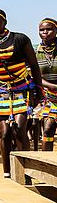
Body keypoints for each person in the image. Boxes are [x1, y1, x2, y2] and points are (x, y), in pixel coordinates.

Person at [0, 9, 43, 177]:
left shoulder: (20, 39)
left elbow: (34, 65)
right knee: (4, 133)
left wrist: (38, 89)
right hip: (0, 91)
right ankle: (7, 172)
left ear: (5, 23)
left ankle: (27, 171)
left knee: (20, 129)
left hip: (23, 88)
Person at [36, 18, 57, 150]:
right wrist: (52, 86)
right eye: (42, 30)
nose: (45, 32)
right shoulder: (34, 50)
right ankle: (45, 166)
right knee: (48, 128)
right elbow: (34, 75)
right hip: (49, 96)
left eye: (49, 29)